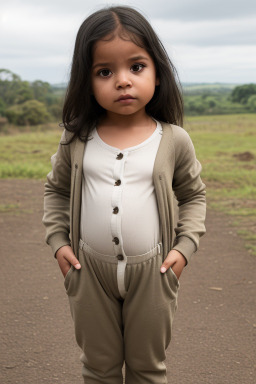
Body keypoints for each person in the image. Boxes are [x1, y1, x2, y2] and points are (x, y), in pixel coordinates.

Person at [43, 5, 206, 384]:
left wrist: (183, 249)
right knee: (98, 368)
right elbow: (56, 190)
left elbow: (194, 196)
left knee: (147, 368)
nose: (122, 81)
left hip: (154, 273)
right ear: (86, 81)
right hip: (88, 273)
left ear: (158, 73)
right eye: (104, 71)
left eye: (136, 67)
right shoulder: (77, 138)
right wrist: (58, 242)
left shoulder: (173, 140)